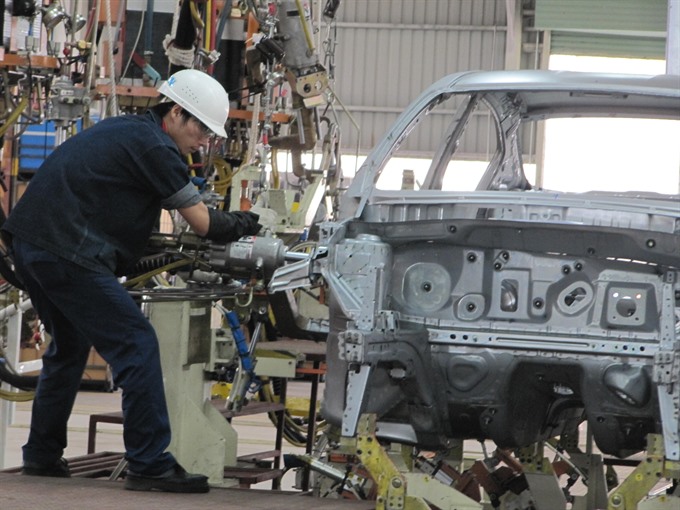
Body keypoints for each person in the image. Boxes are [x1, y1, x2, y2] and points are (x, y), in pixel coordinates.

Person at [1, 69, 261, 493]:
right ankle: (149, 462)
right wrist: (245, 223)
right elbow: (203, 224)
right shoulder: (157, 148)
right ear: (176, 112)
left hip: (33, 245)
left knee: (68, 347)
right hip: (67, 252)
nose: (203, 142)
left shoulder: (129, 131)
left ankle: (42, 455)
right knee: (137, 344)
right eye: (201, 130)